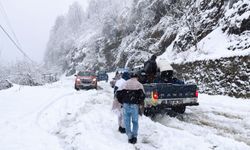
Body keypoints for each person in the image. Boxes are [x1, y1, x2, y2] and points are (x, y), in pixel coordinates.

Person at [116, 71, 145, 144]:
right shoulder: (139, 85)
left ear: (130, 77)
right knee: (135, 121)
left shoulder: (125, 83)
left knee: (127, 122)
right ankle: (134, 137)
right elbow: (143, 96)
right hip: (134, 106)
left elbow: (118, 93)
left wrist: (122, 101)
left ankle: (129, 136)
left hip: (126, 105)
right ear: (137, 77)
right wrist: (138, 101)